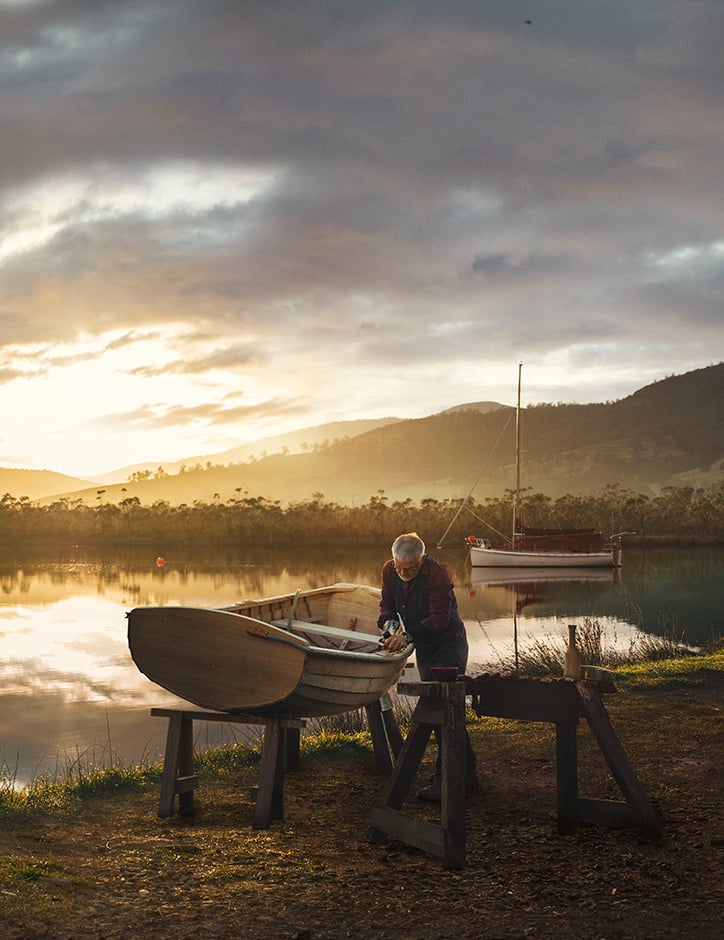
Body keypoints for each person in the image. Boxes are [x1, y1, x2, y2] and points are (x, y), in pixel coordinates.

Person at [378, 532, 476, 801]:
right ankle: (467, 774)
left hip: (448, 644)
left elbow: (440, 619)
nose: (402, 572)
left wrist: (407, 637)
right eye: (398, 567)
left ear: (421, 561)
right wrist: (391, 627)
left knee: (444, 709)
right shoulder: (389, 570)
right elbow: (386, 606)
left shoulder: (437, 573)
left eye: (409, 568)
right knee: (441, 712)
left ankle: (445, 780)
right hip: (425, 646)